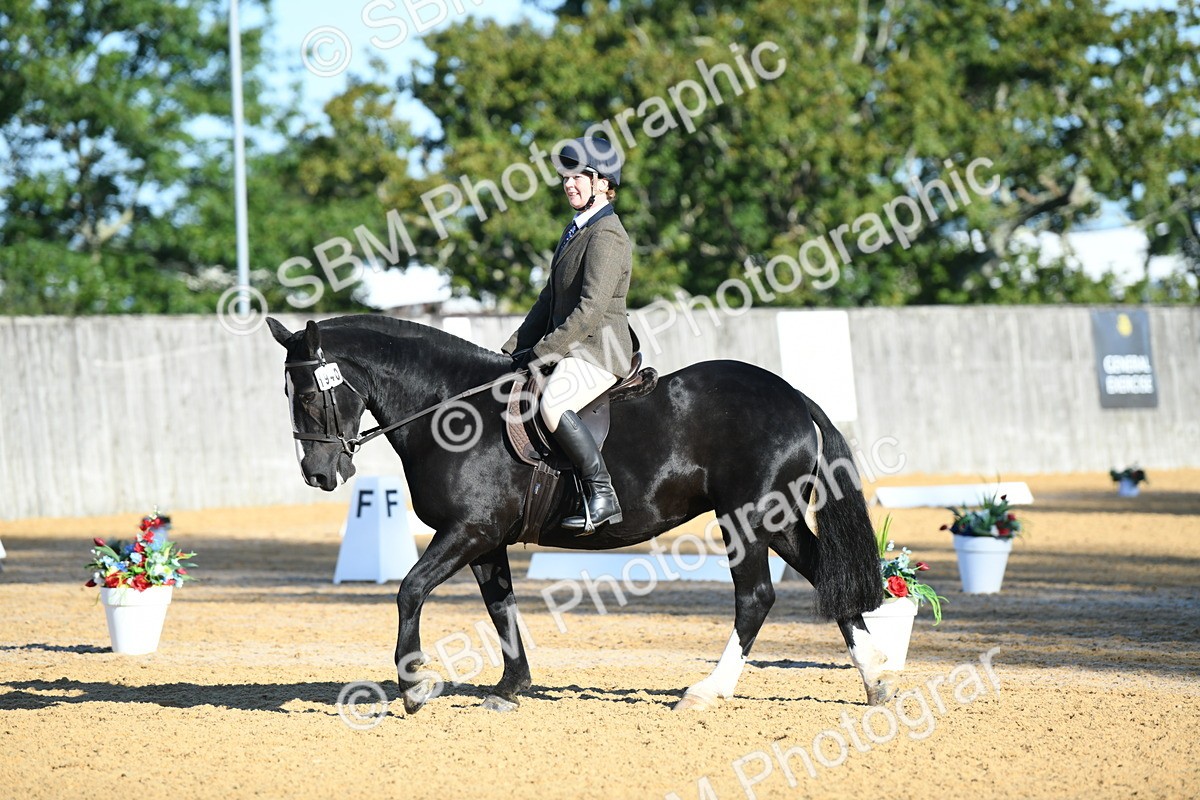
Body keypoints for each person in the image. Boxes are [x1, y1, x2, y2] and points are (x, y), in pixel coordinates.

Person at [502, 136, 634, 532]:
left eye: (580, 176)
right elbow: (548, 301)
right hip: (573, 348)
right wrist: (510, 351)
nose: (569, 184)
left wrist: (542, 353)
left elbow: (589, 310)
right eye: (566, 177)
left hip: (599, 351)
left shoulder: (607, 235)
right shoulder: (576, 229)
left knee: (553, 404)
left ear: (602, 182)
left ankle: (602, 493)